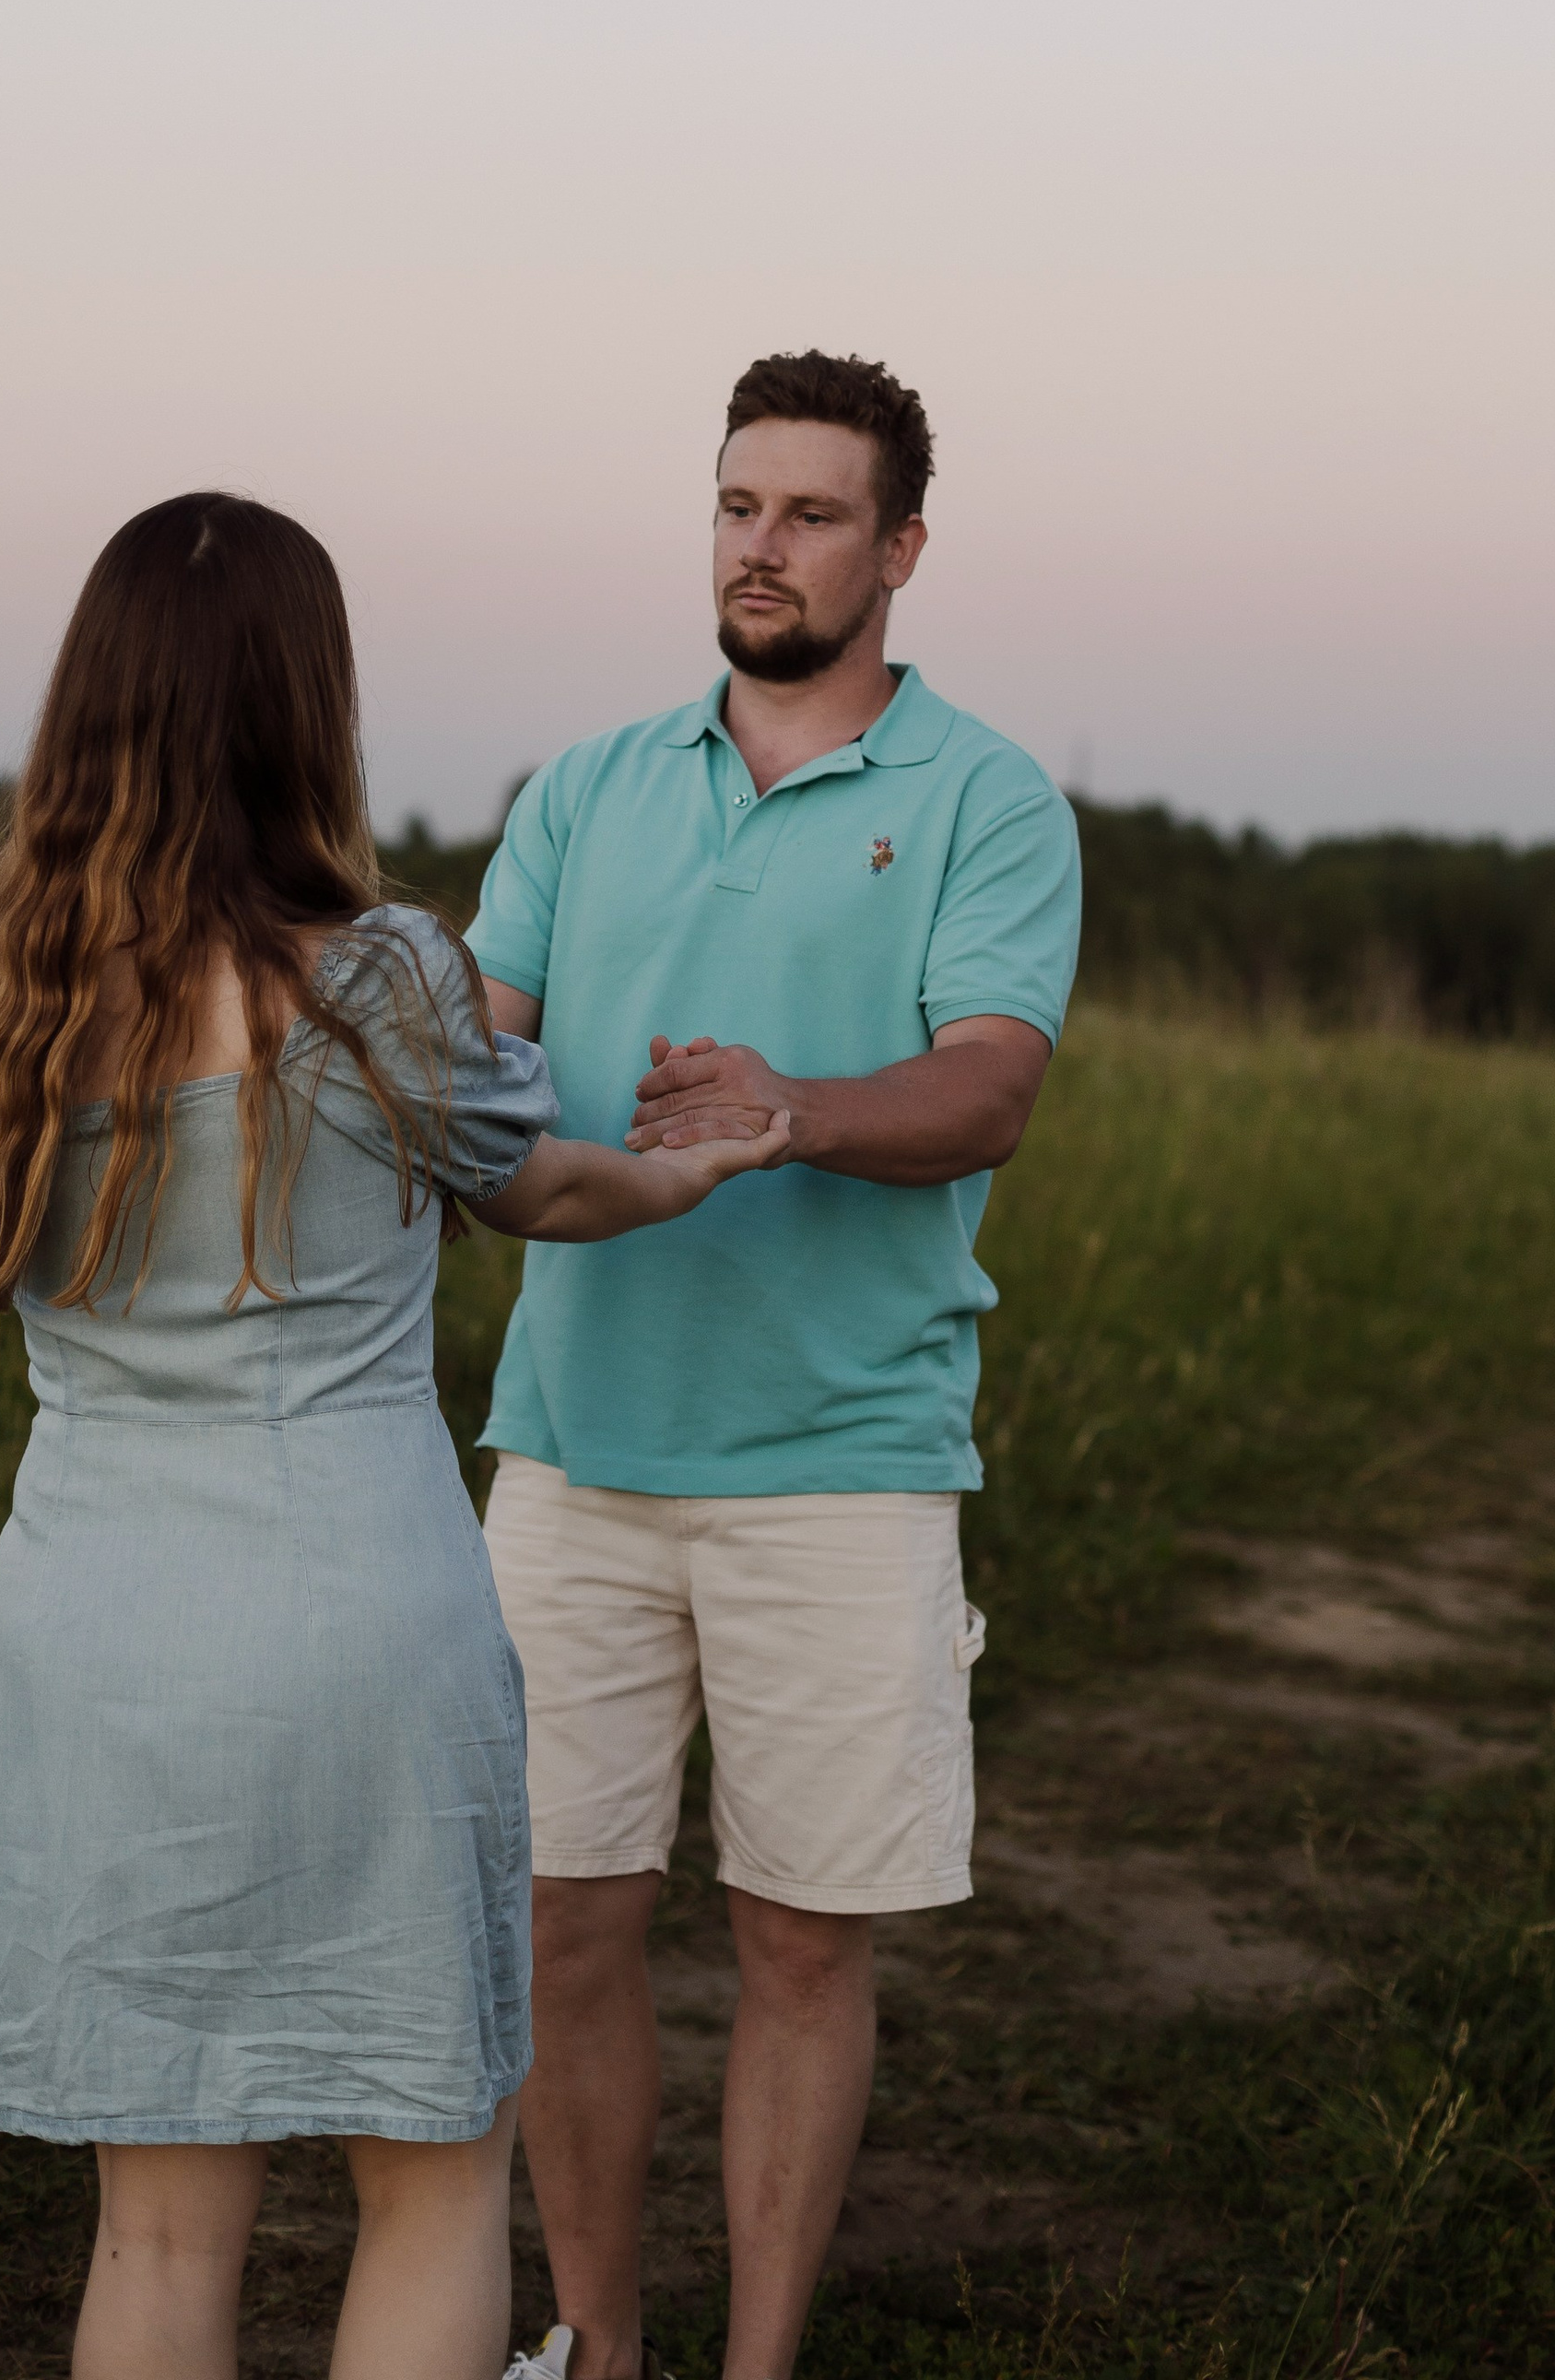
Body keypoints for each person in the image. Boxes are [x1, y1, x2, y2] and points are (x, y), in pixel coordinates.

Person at [0, 494, 788, 2380]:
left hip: (96, 1644)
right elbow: (535, 1188)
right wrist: (685, 1172)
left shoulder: (23, 963)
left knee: (156, 2225)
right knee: (424, 2175)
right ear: (306, 704)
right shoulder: (383, 971)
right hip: (359, 1638)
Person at [471, 353, 1081, 2380]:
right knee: (563, 1927)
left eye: (812, 514)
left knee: (800, 1940)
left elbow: (985, 1092)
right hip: (570, 1450)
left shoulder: (987, 799)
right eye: (738, 504)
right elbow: (476, 1067)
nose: (762, 545)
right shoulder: (584, 785)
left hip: (838, 1457)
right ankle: (591, 2347)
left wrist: (783, 1113)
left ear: (898, 549)